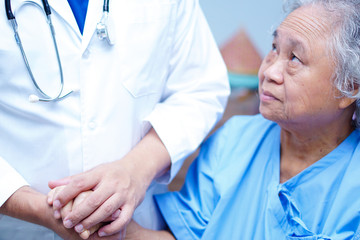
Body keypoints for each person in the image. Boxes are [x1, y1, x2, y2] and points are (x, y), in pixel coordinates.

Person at [123, 0, 360, 239]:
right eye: (275, 48)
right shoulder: (232, 141)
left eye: (295, 58)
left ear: (348, 88)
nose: (268, 72)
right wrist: (115, 226)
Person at [0, 0, 230, 238]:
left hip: (133, 225)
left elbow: (200, 88)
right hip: (15, 227)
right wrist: (36, 207)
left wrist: (135, 171)